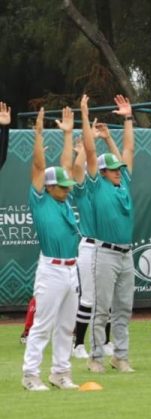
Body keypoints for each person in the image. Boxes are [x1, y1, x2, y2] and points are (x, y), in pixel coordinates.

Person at [22, 107, 80, 391]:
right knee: (42, 326)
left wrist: (68, 134)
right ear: (49, 187)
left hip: (72, 269)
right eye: (62, 187)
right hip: (51, 270)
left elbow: (66, 165)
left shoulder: (64, 200)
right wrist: (39, 134)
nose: (68, 189)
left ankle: (60, 373)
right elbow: (37, 167)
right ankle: (30, 375)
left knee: (66, 327)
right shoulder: (40, 200)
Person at [85, 94, 136, 373]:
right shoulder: (96, 184)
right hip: (104, 253)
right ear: (102, 172)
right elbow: (91, 156)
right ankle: (95, 357)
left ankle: (120, 355)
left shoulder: (123, 182)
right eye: (113, 170)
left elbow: (128, 149)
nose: (118, 171)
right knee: (101, 308)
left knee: (124, 309)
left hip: (127, 254)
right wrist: (94, 135)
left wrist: (128, 118)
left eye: (118, 169)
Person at [70, 95, 114, 359]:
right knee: (88, 297)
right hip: (88, 246)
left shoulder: (109, 189)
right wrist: (87, 143)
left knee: (106, 299)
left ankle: (106, 342)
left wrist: (103, 140)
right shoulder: (83, 188)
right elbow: (78, 168)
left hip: (107, 247)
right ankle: (78, 345)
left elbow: (121, 161)